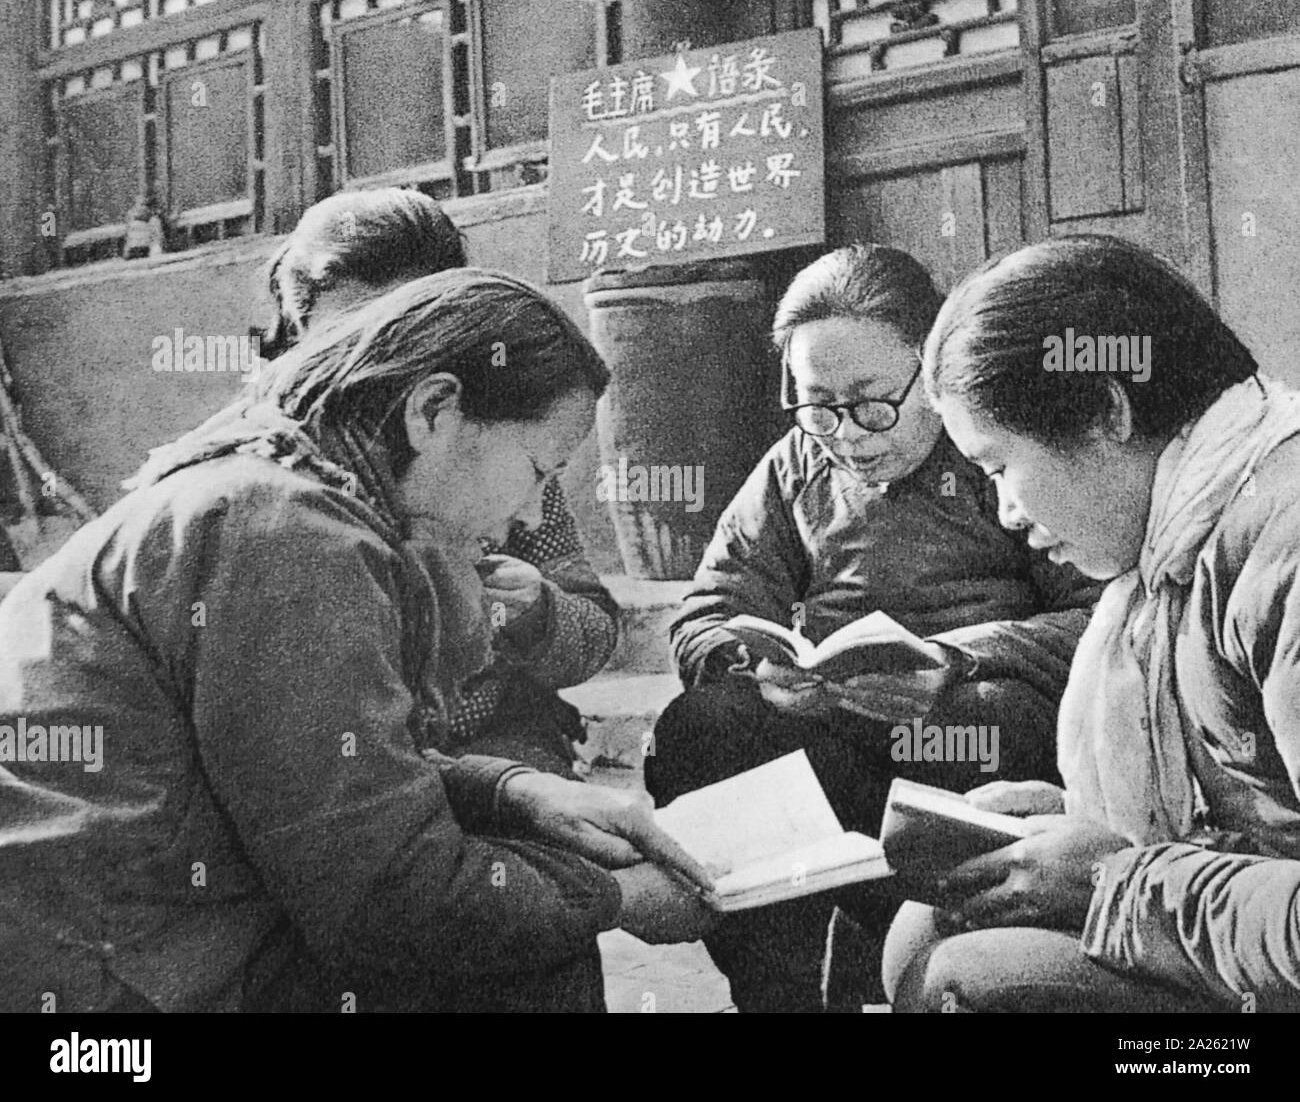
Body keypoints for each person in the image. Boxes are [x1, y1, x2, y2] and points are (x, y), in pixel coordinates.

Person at [0, 269, 715, 1013]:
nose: (535, 514)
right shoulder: (287, 533)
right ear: (434, 410)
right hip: (103, 992)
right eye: (539, 470)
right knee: (511, 949)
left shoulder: (276, 491)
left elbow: (328, 771)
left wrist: (516, 793)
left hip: (122, 929)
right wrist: (620, 899)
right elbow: (391, 905)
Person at [644, 244, 1103, 1012]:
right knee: (703, 727)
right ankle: (781, 991)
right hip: (832, 723)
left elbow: (1104, 616)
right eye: (817, 403)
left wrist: (952, 659)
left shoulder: (995, 450)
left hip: (974, 728)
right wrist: (751, 663)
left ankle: (916, 952)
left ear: (932, 368)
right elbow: (710, 607)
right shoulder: (797, 464)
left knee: (991, 722)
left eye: (871, 402)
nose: (847, 433)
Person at [884, 234, 1300, 1013]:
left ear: (1107, 409)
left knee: (975, 982)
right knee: (926, 928)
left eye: (1003, 468)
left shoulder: (1285, 545)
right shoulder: (1182, 540)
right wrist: (1073, 828)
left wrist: (1117, 879)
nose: (1007, 512)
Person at [260, 187, 619, 773]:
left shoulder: (500, 469)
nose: (378, 361)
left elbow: (594, 623)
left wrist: (536, 612)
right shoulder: (282, 490)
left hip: (494, 739)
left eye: (409, 326)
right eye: (342, 340)